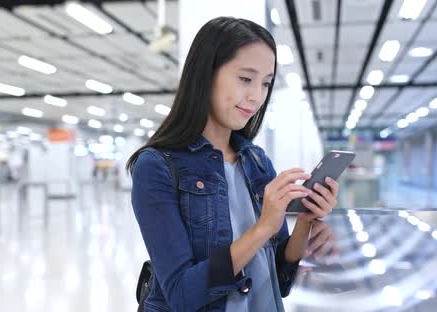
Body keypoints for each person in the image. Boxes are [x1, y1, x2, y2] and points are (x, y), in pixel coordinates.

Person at [127, 17, 340, 312]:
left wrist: (304, 223)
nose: (256, 96)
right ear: (207, 74)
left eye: (266, 83)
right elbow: (182, 294)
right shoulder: (156, 166)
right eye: (245, 78)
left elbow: (280, 279)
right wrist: (264, 226)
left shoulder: (255, 161)